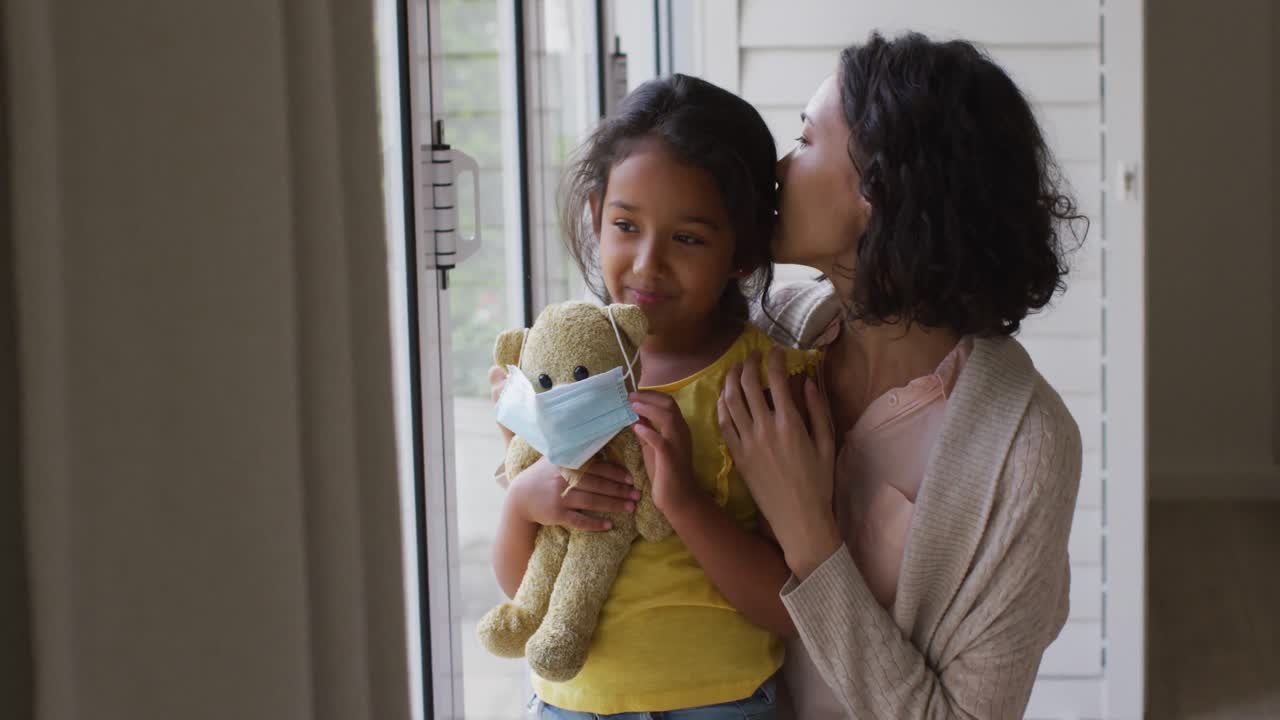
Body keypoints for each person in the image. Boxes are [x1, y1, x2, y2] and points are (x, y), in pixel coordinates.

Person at [718, 33, 1086, 719]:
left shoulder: (1028, 447)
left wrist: (810, 538)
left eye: (804, 140)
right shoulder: (764, 333)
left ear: (877, 188)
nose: (778, 168)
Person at [489, 74, 816, 718]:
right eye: (625, 225)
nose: (647, 264)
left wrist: (683, 502)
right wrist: (523, 503)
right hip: (569, 704)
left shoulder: (766, 384)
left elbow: (791, 607)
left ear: (743, 251)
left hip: (718, 704)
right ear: (595, 216)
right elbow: (522, 589)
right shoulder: (550, 373)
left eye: (687, 238)